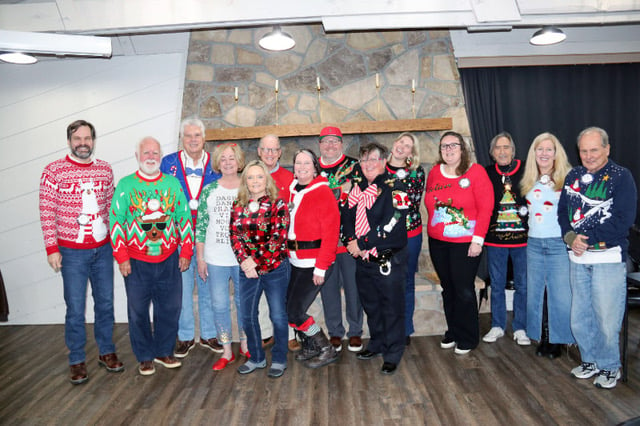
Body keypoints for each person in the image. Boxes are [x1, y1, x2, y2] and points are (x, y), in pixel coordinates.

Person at [39, 119, 123, 384]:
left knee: (106, 304)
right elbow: (46, 211)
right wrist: (52, 248)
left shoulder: (104, 170)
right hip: (71, 252)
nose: (83, 144)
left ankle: (106, 352)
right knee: (75, 308)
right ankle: (76, 359)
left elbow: (112, 207)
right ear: (69, 141)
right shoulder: (53, 171)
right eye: (78, 139)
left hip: (103, 249)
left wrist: (117, 243)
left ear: (93, 141)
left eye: (87, 139)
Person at [559, 126, 637, 389]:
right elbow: (562, 213)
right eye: (584, 151)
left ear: (607, 149)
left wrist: (587, 238)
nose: (589, 155)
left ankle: (610, 367)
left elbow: (623, 219)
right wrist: (570, 237)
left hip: (607, 259)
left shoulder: (621, 177)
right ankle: (590, 360)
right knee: (580, 316)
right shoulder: (574, 175)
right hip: (578, 259)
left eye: (594, 150)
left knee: (606, 318)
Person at [110, 136, 193, 376]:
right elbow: (115, 221)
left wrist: (185, 251)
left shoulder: (172, 184)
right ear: (137, 156)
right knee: (137, 311)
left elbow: (184, 218)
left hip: (169, 259)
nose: (151, 157)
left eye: (155, 153)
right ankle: (145, 356)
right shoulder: (126, 185)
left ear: (160, 156)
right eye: (146, 153)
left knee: (170, 307)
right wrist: (122, 256)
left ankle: (164, 351)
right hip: (136, 262)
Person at [424, 131, 494, 355]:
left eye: (453, 145)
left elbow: (486, 208)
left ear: (462, 149)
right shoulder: (435, 172)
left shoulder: (476, 172)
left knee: (463, 289)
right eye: (444, 146)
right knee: (449, 288)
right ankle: (453, 330)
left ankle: (468, 336)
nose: (449, 149)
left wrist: (478, 240)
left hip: (466, 243)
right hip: (438, 242)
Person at [343, 143, 409, 375]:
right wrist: (351, 241)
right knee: (371, 305)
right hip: (363, 260)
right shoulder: (357, 189)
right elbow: (347, 217)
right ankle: (378, 343)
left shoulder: (397, 187)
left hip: (387, 260)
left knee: (391, 308)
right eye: (364, 160)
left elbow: (393, 223)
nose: (368, 164)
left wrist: (362, 243)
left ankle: (393, 352)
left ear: (383, 162)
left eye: (373, 159)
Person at [160, 117, 222, 359]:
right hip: (179, 238)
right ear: (181, 138)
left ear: (204, 138)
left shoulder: (217, 163)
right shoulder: (168, 163)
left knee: (208, 286)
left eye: (197, 135)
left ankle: (208, 334)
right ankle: (185, 336)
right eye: (188, 136)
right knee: (182, 289)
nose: (193, 140)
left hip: (209, 238)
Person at [230, 161, 291, 377]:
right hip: (247, 270)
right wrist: (244, 261)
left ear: (267, 179)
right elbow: (235, 236)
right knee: (247, 315)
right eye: (250, 177)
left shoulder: (278, 204)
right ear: (245, 181)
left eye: (259, 177)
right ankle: (256, 357)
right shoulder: (238, 204)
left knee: (278, 316)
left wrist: (254, 262)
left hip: (275, 268)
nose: (255, 181)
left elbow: (278, 239)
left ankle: (280, 358)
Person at [521, 132, 574, 359]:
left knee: (560, 294)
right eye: (539, 149)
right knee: (536, 293)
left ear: (556, 153)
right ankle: (542, 335)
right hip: (533, 242)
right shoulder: (528, 179)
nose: (544, 153)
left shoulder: (568, 178)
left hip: (558, 243)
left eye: (548, 149)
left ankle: (557, 340)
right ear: (534, 153)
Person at [196, 142, 248, 371]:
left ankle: (246, 346)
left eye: (232, 158)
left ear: (239, 161)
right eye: (223, 158)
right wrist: (200, 258)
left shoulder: (248, 188)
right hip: (215, 258)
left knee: (244, 303)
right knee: (219, 304)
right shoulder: (209, 190)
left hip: (243, 259)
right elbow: (200, 226)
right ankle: (227, 351)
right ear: (218, 163)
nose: (228, 162)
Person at [286, 149, 340, 368]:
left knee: (295, 311)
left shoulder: (322, 192)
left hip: (314, 263)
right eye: (297, 163)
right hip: (296, 261)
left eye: (306, 163)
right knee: (288, 307)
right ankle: (310, 346)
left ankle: (326, 348)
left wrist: (321, 267)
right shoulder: (293, 190)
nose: (301, 167)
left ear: (315, 166)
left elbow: (331, 232)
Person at [317, 126, 364, 353]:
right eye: (326, 141)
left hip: (350, 238)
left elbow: (360, 195)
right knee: (328, 289)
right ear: (320, 145)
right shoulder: (311, 167)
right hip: (323, 240)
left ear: (341, 144)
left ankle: (355, 331)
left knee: (354, 287)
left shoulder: (355, 166)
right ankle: (335, 331)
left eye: (335, 141)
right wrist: (340, 191)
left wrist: (332, 192)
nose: (330, 145)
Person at [482, 132, 530, 345]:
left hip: (524, 240)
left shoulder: (528, 170)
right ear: (492, 153)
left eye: (506, 147)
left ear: (513, 150)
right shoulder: (486, 173)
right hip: (494, 240)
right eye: (498, 148)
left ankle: (521, 327)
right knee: (497, 284)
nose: (502, 151)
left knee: (523, 285)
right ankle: (497, 325)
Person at [256, 134, 300, 352]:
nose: (270, 154)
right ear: (259, 151)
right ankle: (266, 332)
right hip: (259, 245)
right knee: (263, 290)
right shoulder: (252, 175)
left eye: (274, 150)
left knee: (285, 291)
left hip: (284, 245)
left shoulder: (290, 178)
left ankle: (290, 333)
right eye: (266, 149)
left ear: (280, 153)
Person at [385, 132, 425, 345]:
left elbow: (406, 203)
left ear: (412, 152)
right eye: (401, 141)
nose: (402, 147)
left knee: (406, 282)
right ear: (394, 143)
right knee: (384, 282)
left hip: (409, 235)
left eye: (408, 145)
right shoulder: (378, 166)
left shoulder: (416, 172)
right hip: (382, 237)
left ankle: (405, 329)